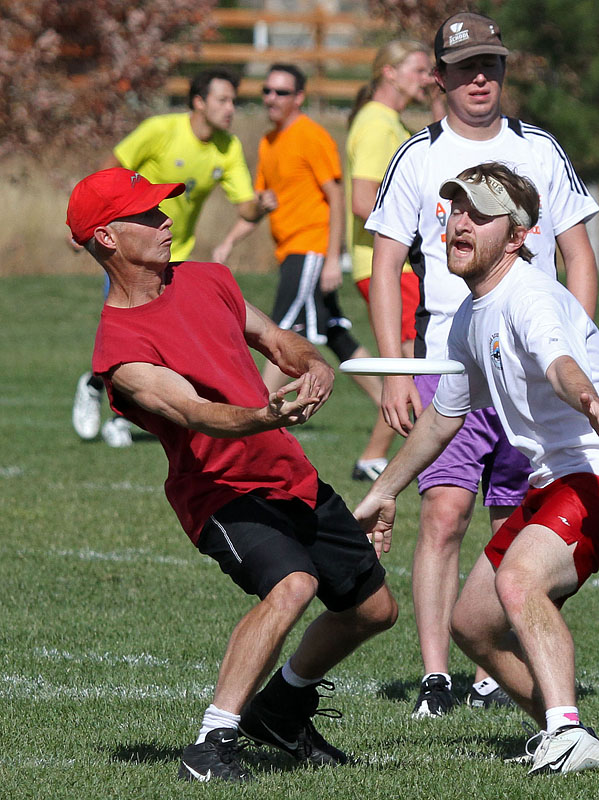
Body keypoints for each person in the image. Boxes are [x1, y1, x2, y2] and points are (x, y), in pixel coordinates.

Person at [66, 167, 397, 782]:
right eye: (149, 215)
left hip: (287, 474)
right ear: (107, 238)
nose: (167, 221)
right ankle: (212, 741)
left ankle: (281, 708)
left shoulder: (207, 279)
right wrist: (266, 412)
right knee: (294, 584)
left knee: (374, 610)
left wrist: (312, 364)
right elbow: (196, 414)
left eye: (164, 209)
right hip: (219, 495)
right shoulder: (121, 351)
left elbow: (274, 338)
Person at [356, 163, 599, 774]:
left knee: (518, 582)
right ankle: (566, 732)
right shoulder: (469, 317)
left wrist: (584, 395)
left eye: (478, 215)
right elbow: (444, 416)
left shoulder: (531, 295)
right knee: (472, 624)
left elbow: (559, 362)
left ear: (517, 237)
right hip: (555, 488)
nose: (458, 223)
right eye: (454, 211)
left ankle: (566, 732)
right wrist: (384, 489)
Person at [365, 11, 599, 716]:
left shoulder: (540, 149)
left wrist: (576, 348)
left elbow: (581, 257)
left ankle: (495, 669)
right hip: (450, 356)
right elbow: (384, 268)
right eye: (464, 67)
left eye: (490, 65)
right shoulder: (417, 156)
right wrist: (394, 372)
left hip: (530, 370)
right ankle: (437, 677)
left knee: (519, 517)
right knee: (442, 513)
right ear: (437, 77)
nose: (479, 78)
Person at [71, 68, 277, 448]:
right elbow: (111, 170)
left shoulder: (227, 147)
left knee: (171, 343)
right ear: (198, 102)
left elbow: (244, 208)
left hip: (175, 256)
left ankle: (152, 410)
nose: (231, 108)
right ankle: (106, 395)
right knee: (130, 339)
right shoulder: (160, 130)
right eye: (223, 100)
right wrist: (91, 226)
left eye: (234, 100)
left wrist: (260, 207)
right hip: (131, 255)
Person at [213, 63, 392, 482]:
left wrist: (332, 258)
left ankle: (250, 421)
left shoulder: (311, 135)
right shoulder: (270, 141)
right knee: (335, 333)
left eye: (281, 92)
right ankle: (398, 406)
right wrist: (229, 240)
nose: (271, 99)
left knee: (277, 332)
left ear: (299, 97)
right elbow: (262, 204)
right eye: (267, 92)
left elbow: (336, 197)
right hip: (290, 251)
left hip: (310, 250)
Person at [346, 39, 434, 361]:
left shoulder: (392, 123)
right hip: (391, 265)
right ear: (390, 73)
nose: (427, 78)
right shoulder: (377, 125)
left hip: (398, 265)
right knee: (412, 364)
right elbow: (362, 202)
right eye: (420, 70)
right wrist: (414, 239)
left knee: (406, 369)